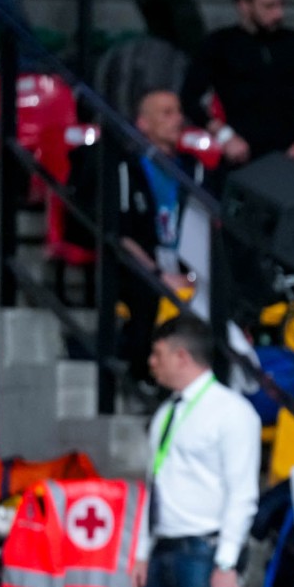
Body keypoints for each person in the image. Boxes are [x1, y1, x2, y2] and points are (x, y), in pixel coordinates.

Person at [133, 317, 262, 587]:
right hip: (165, 549)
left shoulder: (231, 412)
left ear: (182, 356)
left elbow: (243, 494)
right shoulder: (166, 413)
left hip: (205, 552)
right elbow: (155, 485)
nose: (151, 363)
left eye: (158, 354)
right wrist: (143, 550)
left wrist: (227, 563)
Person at [68, 89, 209, 379]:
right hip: (142, 266)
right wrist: (158, 274)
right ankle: (145, 377)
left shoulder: (193, 170)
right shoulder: (124, 166)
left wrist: (196, 273)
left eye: (179, 112)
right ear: (143, 123)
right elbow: (119, 234)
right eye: (167, 113)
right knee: (146, 294)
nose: (178, 119)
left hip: (187, 265)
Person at [180, 0, 294, 166]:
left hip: (290, 150)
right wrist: (224, 135)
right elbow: (190, 98)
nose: (278, 14)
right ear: (244, 5)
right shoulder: (219, 44)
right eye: (268, 6)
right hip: (240, 152)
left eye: (281, 5)